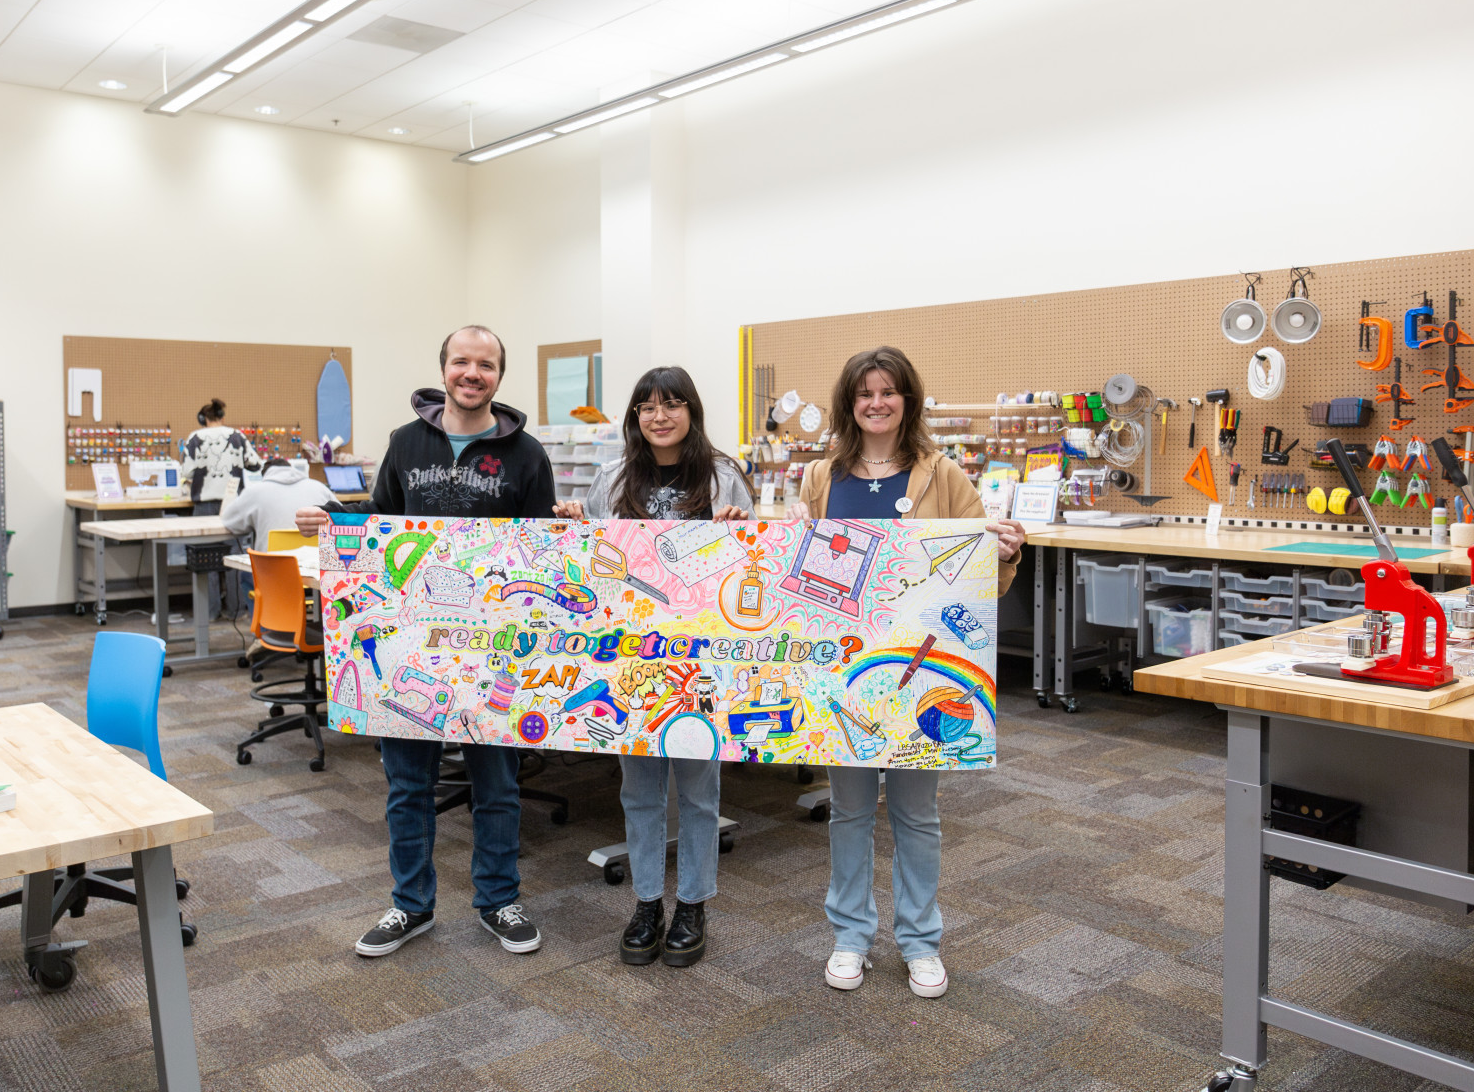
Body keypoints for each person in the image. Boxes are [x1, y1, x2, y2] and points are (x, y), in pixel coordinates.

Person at [295, 325, 557, 959]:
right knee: (408, 787)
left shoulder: (527, 454)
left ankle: (499, 900)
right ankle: (410, 906)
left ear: (500, 375)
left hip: (495, 648)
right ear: (443, 370)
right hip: (410, 642)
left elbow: (542, 556)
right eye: (462, 362)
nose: (473, 373)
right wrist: (335, 527)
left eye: (486, 365)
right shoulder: (406, 444)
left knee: (496, 787)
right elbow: (380, 530)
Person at [789, 345, 1025, 1000]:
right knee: (850, 811)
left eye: (887, 391)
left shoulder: (940, 474)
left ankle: (921, 940)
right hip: (845, 677)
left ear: (906, 400)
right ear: (849, 403)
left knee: (918, 815)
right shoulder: (820, 477)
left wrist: (1003, 551)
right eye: (864, 393)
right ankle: (850, 936)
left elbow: (981, 577)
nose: (876, 403)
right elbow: (795, 577)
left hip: (925, 676)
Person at [554, 367, 752, 968]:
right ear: (634, 417)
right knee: (638, 790)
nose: (658, 417)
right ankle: (646, 902)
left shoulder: (723, 475)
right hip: (630, 656)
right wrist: (572, 528)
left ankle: (692, 903)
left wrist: (745, 532)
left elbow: (753, 569)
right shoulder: (613, 476)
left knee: (698, 789)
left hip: (701, 657)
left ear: (691, 410)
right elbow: (593, 564)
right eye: (645, 407)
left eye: (671, 405)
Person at [220, 457, 332, 546]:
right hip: (315, 568)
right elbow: (344, 521)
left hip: (271, 569)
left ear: (265, 475)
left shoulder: (254, 491)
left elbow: (228, 520)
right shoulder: (320, 488)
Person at [180, 397, 262, 512]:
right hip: (234, 503)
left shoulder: (195, 438)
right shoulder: (236, 436)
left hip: (204, 505)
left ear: (203, 419)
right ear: (222, 418)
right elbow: (256, 464)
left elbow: (187, 473)